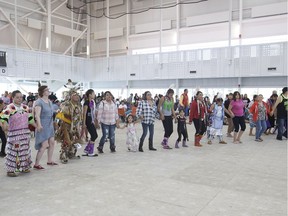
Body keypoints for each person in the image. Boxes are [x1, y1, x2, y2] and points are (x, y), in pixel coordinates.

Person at [1, 90, 36, 177]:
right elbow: (3, 119)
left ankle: (24, 167)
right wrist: (4, 126)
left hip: (25, 134)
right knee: (13, 151)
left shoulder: (26, 107)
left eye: (21, 97)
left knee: (25, 151)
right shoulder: (9, 108)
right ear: (13, 98)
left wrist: (37, 126)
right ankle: (10, 170)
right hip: (14, 135)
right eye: (17, 97)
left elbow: (31, 119)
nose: (20, 99)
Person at [55, 89, 83, 163]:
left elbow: (79, 115)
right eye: (74, 95)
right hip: (66, 125)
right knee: (66, 140)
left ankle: (71, 153)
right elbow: (60, 115)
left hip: (75, 126)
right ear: (70, 96)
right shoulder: (66, 104)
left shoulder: (79, 105)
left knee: (74, 140)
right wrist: (59, 125)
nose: (77, 96)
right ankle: (63, 156)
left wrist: (79, 125)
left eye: (77, 95)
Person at [34, 86, 58, 170]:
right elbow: (37, 115)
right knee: (44, 145)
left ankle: (49, 160)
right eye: (47, 90)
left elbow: (51, 113)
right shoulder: (39, 102)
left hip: (50, 124)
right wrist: (39, 125)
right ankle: (36, 164)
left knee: (52, 142)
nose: (48, 91)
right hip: (43, 124)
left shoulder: (50, 102)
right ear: (43, 92)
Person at [82, 89, 99, 157]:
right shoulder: (86, 103)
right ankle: (90, 152)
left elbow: (92, 112)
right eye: (93, 94)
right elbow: (84, 113)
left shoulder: (92, 102)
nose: (94, 95)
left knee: (94, 135)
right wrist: (83, 123)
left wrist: (95, 120)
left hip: (91, 120)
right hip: (87, 121)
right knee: (94, 135)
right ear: (90, 95)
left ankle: (87, 149)